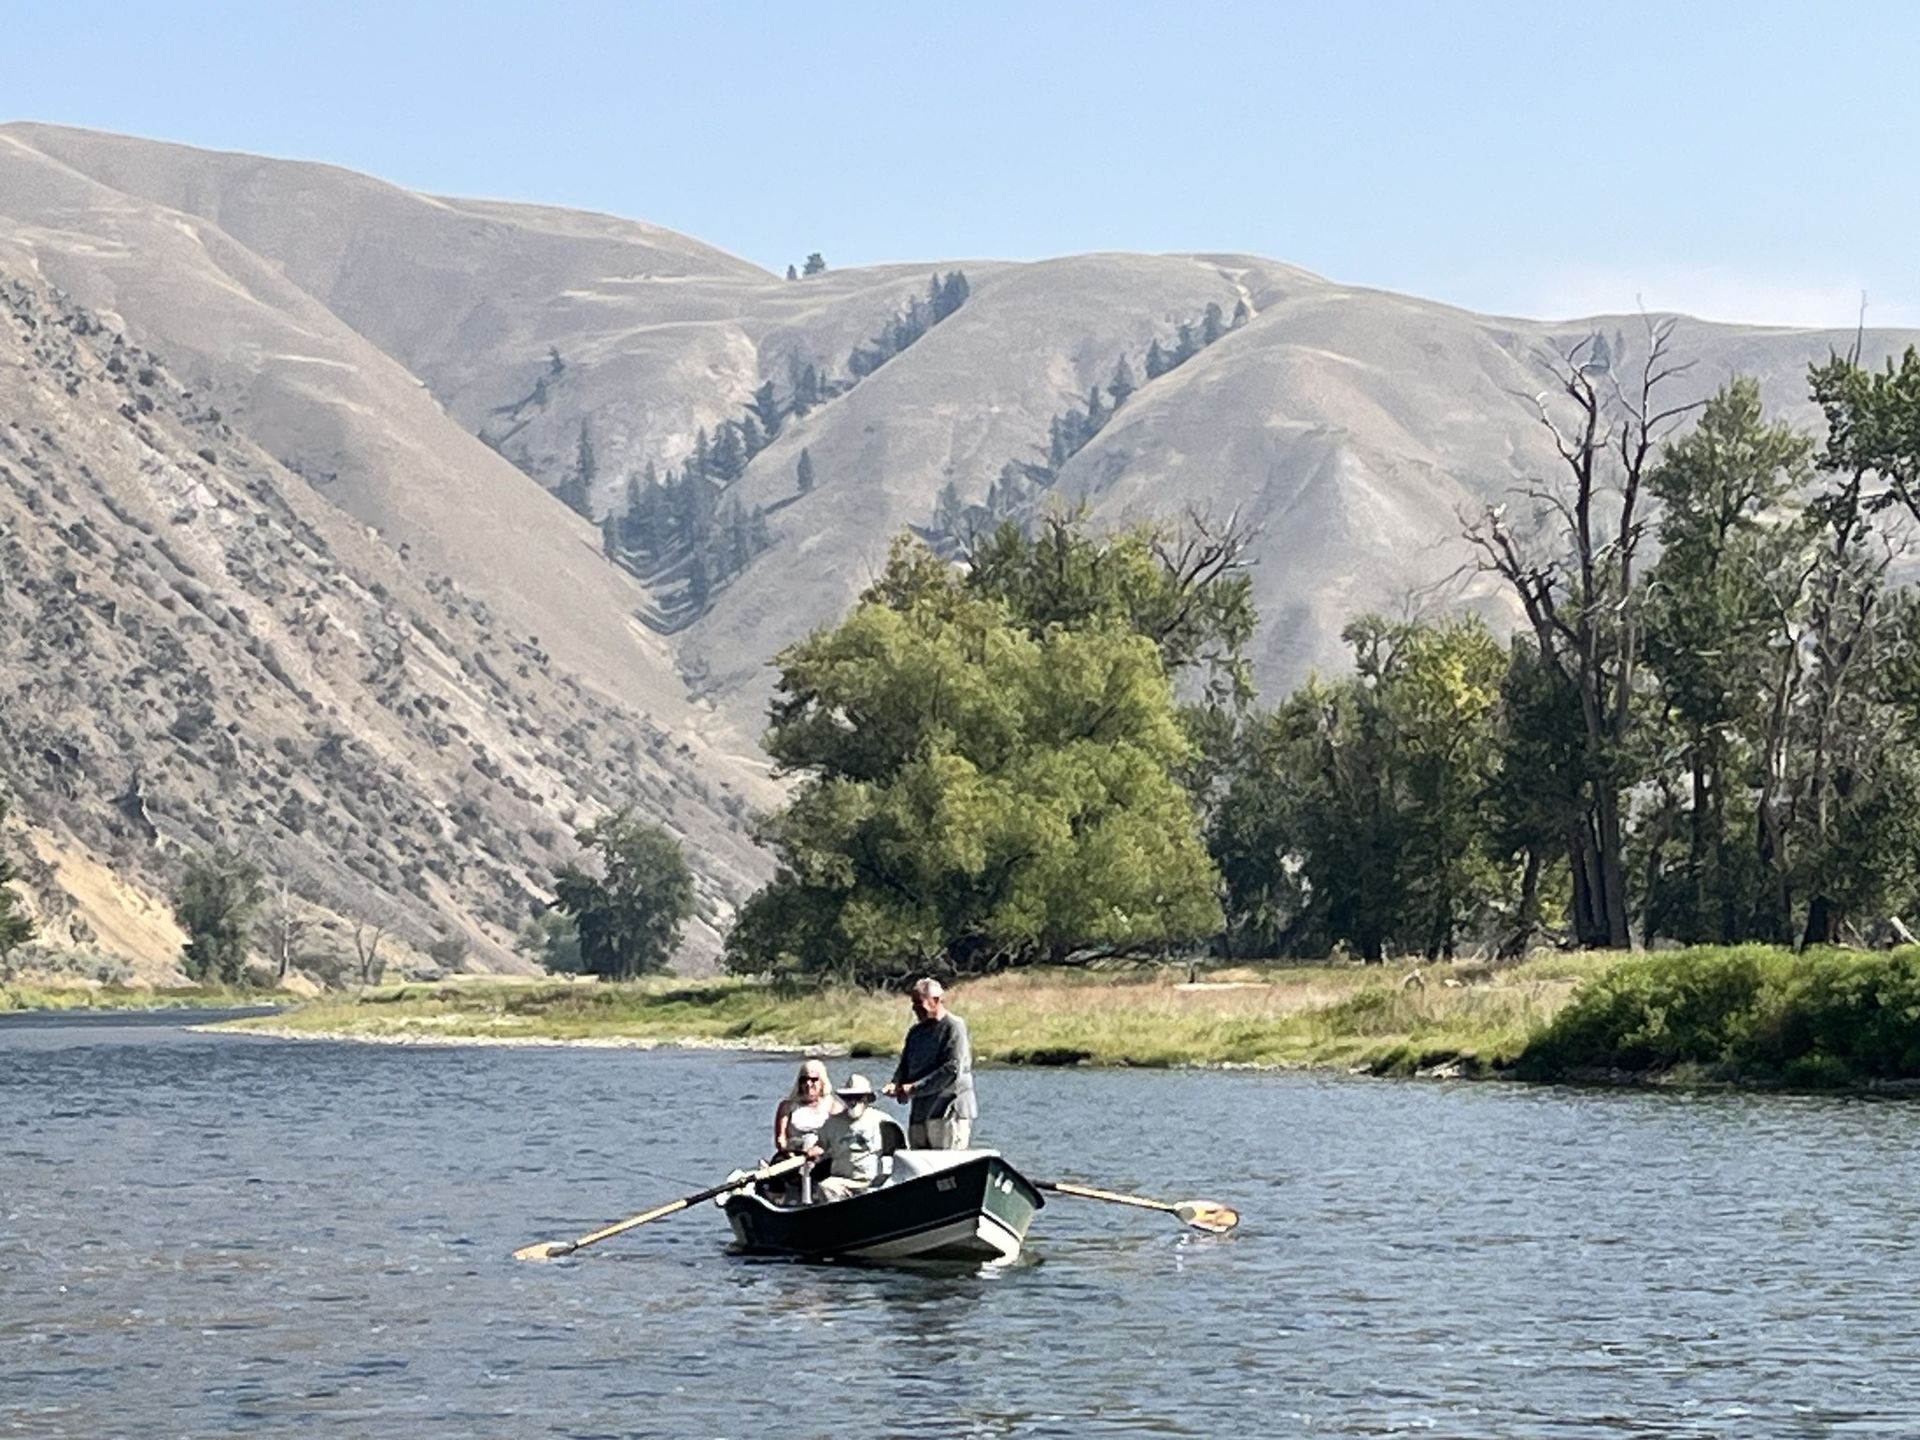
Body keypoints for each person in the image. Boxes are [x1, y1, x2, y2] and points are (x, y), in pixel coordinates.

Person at [883, 977, 976, 1149]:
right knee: (918, 1161)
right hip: (920, 1112)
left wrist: (914, 1088)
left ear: (936, 1000)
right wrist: (896, 1083)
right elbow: (905, 1064)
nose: (915, 1008)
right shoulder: (915, 1033)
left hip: (948, 1111)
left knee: (946, 1162)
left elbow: (952, 1069)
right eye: (913, 1003)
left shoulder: (954, 1027)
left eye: (919, 1003)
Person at [808, 1074, 889, 1202]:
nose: (853, 1101)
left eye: (858, 1097)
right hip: (842, 1181)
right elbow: (821, 1145)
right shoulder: (832, 1123)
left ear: (867, 1098)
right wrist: (813, 1152)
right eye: (849, 1097)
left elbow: (900, 1151)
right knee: (826, 1186)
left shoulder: (883, 1121)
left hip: (871, 1182)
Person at [772, 1058, 840, 1159]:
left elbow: (839, 1136)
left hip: (822, 1156)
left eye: (813, 1080)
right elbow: (780, 1138)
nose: (808, 1084)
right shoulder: (787, 1106)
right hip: (793, 1155)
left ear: (822, 1082)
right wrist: (787, 1152)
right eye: (804, 1080)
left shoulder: (833, 1106)